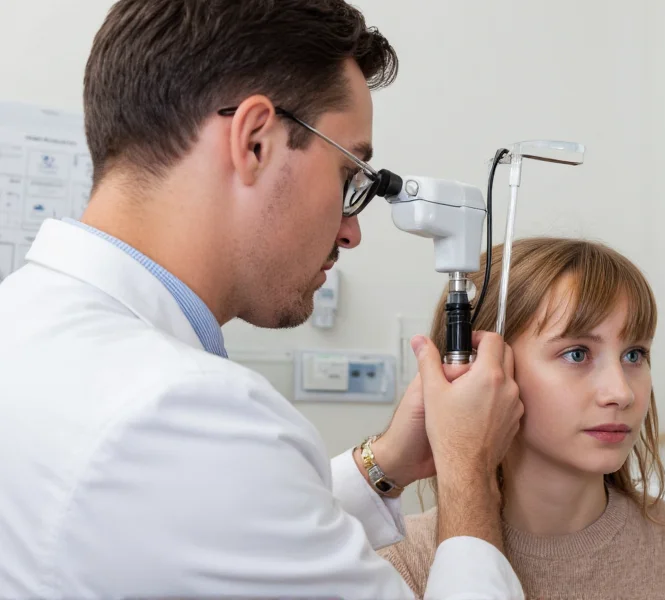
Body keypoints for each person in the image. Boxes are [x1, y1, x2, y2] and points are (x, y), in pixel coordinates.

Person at [0, 1, 525, 598]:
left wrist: (385, 465)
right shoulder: (182, 414)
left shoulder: (24, 321)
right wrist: (469, 471)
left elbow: (207, 530)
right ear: (254, 142)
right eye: (349, 177)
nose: (351, 231)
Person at [380, 237, 665, 600]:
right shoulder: (401, 566)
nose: (621, 393)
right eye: (577, 354)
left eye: (634, 355)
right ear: (484, 372)